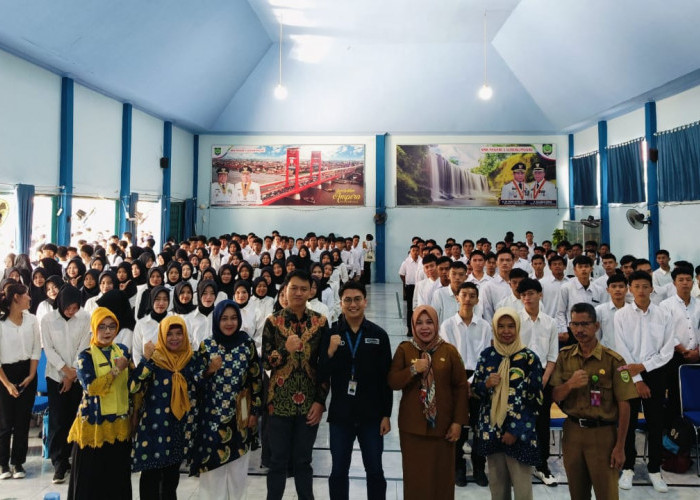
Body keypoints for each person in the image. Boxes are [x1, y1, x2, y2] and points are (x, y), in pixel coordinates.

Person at [550, 303, 637, 500]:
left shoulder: (614, 360)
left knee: (607, 494)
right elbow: (555, 396)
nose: (579, 330)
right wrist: (570, 384)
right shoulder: (565, 357)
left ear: (596, 326)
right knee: (577, 494)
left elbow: (625, 405)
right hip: (572, 433)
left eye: (585, 324)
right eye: (575, 324)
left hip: (603, 436)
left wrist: (620, 446)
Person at [319, 281, 392, 500]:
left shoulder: (379, 335)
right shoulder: (331, 334)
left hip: (371, 415)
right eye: (348, 300)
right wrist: (330, 352)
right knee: (339, 471)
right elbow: (321, 374)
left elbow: (385, 379)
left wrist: (386, 414)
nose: (353, 304)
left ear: (365, 302)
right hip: (341, 415)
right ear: (340, 304)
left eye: (357, 299)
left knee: (375, 471)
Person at [388, 305, 469, 500]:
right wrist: (413, 370)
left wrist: (458, 422)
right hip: (412, 429)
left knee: (442, 480)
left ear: (436, 324)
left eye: (429, 322)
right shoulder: (405, 350)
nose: (425, 327)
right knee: (416, 480)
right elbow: (393, 381)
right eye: (419, 323)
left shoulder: (449, 351)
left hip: (443, 429)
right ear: (413, 326)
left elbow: (460, 387)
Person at [262, 270, 329, 500]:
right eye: (294, 288)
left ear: (310, 291)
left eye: (303, 288)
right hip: (279, 404)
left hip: (309, 405)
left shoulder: (320, 322)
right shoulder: (272, 322)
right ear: (285, 291)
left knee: (303, 461)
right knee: (277, 461)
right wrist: (284, 350)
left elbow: (325, 366)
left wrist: (320, 402)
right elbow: (266, 361)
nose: (298, 293)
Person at [472, 307, 543, 500]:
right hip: (492, 431)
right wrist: (486, 384)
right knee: (497, 488)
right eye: (501, 326)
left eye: (511, 326)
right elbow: (475, 390)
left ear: (518, 328)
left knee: (522, 490)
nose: (506, 331)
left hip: (520, 434)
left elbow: (535, 400)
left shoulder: (529, 359)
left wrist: (515, 430)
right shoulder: (487, 355)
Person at [130, 316, 205, 500]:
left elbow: (201, 387)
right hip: (153, 429)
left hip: (177, 428)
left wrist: (208, 371)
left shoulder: (191, 359)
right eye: (169, 334)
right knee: (150, 479)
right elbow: (133, 386)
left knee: (171, 480)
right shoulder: (154, 359)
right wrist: (145, 360)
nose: (174, 338)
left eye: (179, 333)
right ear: (162, 335)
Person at [613, 271, 674, 492]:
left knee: (656, 423)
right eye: (636, 286)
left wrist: (645, 367)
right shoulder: (621, 315)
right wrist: (637, 377)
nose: (641, 290)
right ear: (630, 288)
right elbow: (621, 349)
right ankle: (628, 467)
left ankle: (655, 469)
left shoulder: (663, 314)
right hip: (628, 372)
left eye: (645, 286)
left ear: (652, 289)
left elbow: (667, 350)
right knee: (627, 423)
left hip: (656, 372)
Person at [67, 307, 133, 499]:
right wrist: (115, 370)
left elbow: (133, 384)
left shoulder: (123, 351)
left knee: (116, 480)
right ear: (94, 329)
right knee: (90, 483)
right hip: (94, 428)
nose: (107, 332)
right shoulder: (84, 357)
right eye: (102, 327)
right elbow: (92, 388)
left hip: (119, 425)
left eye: (112, 327)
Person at [438, 282, 492, 487]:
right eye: (464, 295)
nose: (468, 299)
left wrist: (473, 383)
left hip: (480, 381)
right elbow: (449, 357)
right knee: (457, 426)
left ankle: (479, 467)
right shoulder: (448, 325)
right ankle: (458, 467)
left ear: (477, 300)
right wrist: (463, 383)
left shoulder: (485, 326)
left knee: (480, 427)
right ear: (457, 298)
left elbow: (486, 357)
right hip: (455, 380)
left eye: (472, 295)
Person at [40, 285, 91, 484]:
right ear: (61, 303)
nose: (72, 311)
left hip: (77, 376)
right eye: (69, 307)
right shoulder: (48, 320)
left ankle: (73, 458)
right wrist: (65, 371)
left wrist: (72, 374)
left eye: (75, 307)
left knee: (75, 416)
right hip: (55, 376)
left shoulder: (85, 317)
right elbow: (49, 348)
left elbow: (84, 345)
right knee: (58, 418)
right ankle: (59, 462)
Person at [517, 278, 559, 486]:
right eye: (523, 294)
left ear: (540, 295)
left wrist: (544, 379)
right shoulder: (515, 320)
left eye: (531, 293)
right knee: (519, 420)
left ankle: (542, 465)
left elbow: (553, 356)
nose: (527, 298)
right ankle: (521, 464)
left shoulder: (551, 322)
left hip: (543, 375)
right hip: (519, 376)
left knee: (542, 423)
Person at [0, 284, 41, 480]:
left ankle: (18, 463)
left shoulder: (32, 320)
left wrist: (32, 375)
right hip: (4, 374)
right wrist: (7, 384)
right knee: (5, 421)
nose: (29, 298)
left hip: (27, 371)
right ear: (16, 297)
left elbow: (35, 349)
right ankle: (3, 464)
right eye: (26, 295)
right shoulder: (1, 322)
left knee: (23, 420)